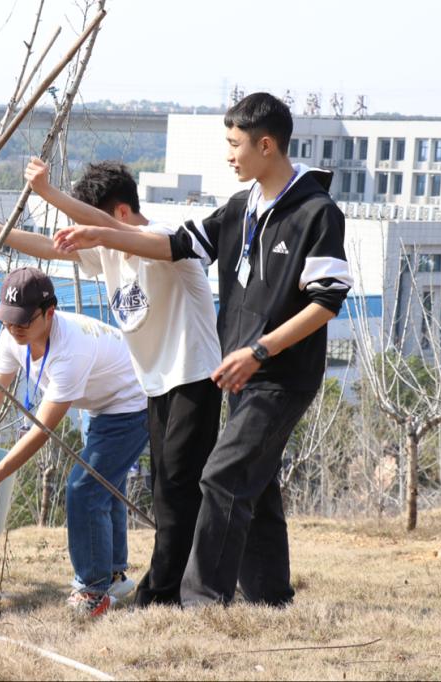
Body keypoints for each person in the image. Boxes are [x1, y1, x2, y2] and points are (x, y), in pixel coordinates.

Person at [54, 92, 353, 607]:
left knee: (221, 475)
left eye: (235, 145)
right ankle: (269, 599)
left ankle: (201, 602)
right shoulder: (241, 209)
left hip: (280, 374)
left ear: (266, 145)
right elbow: (171, 243)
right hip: (238, 372)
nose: (229, 155)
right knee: (255, 489)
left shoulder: (316, 213)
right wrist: (99, 233)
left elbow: (327, 301)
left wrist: (259, 350)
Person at [0, 159, 223, 606]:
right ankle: (164, 584)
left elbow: (103, 227)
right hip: (153, 383)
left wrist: (48, 192)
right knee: (159, 488)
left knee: (172, 489)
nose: (83, 230)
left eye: (89, 219)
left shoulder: (162, 237)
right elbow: (48, 248)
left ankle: (162, 592)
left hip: (192, 376)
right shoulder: (109, 251)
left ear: (118, 214)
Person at [0, 267, 149, 617]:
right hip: (98, 401)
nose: (15, 328)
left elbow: (42, 430)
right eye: (8, 320)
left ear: (49, 311)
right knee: (104, 484)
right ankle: (112, 575)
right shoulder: (12, 337)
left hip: (131, 402)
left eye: (23, 320)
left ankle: (93, 589)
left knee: (85, 488)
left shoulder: (71, 350)